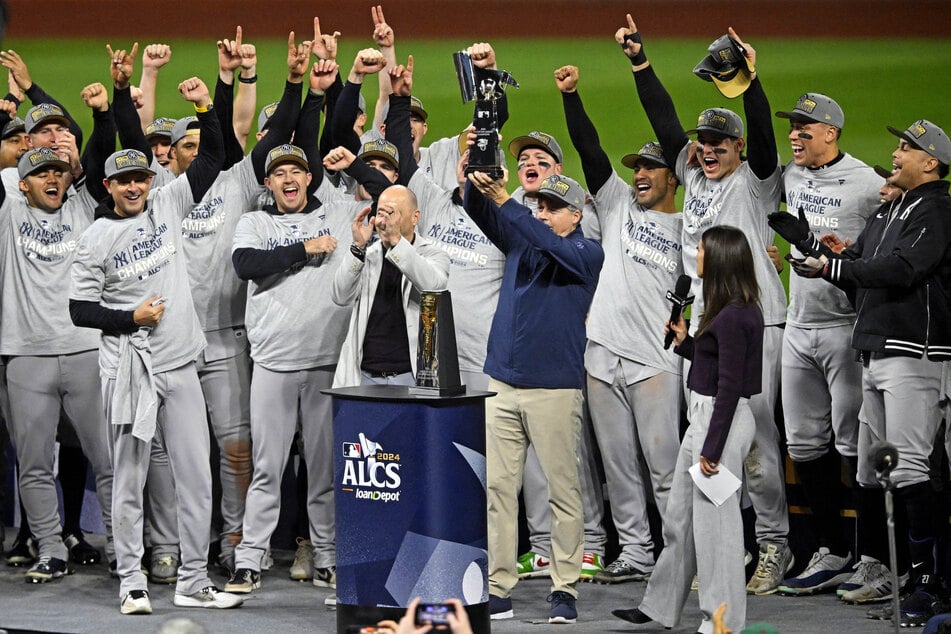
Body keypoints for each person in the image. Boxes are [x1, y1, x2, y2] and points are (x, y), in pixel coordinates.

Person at [618, 14, 791, 594]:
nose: (708, 150)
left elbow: (765, 136)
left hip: (755, 321)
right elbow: (663, 119)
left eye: (719, 143)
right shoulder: (693, 176)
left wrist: (754, 85)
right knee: (707, 437)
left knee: (756, 440)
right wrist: (641, 62)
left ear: (737, 147)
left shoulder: (757, 181)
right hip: (701, 324)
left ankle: (774, 546)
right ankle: (728, 546)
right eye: (703, 142)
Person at [69, 76, 241, 614]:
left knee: (196, 474)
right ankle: (131, 580)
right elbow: (79, 310)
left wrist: (205, 104)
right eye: (125, 182)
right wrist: (130, 317)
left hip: (180, 364)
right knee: (130, 479)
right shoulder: (96, 237)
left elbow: (213, 154)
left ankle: (193, 579)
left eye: (141, 177)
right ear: (108, 186)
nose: (135, 187)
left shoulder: (170, 202)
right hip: (127, 370)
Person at [771, 118, 951, 627]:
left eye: (907, 148)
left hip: (913, 350)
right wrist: (823, 249)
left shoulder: (937, 210)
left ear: (930, 162)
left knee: (913, 467)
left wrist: (834, 267)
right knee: (875, 468)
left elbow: (903, 270)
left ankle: (926, 580)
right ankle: (883, 568)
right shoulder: (893, 209)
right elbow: (863, 271)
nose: (896, 153)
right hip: (873, 347)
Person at [556, 62, 684, 584]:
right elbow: (590, 152)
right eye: (638, 168)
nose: (641, 174)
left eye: (652, 168)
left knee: (665, 469)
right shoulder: (615, 206)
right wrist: (571, 97)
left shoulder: (689, 224)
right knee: (619, 466)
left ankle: (682, 555)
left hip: (655, 358)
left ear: (674, 177)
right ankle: (636, 551)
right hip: (601, 350)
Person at [465, 170, 603, 624]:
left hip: (554, 389)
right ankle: (497, 587)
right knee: (499, 491)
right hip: (502, 383)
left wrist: (509, 201)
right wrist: (476, 175)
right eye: (537, 206)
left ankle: (564, 588)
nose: (541, 214)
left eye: (551, 208)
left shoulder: (586, 252)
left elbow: (551, 247)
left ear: (576, 216)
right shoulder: (522, 240)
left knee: (562, 492)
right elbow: (476, 209)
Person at [613, 224, 764, 634]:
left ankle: (721, 621)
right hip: (707, 418)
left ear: (718, 258)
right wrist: (685, 343)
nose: (695, 255)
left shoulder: (734, 314)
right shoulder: (726, 307)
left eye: (700, 249)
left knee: (718, 530)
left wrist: (713, 449)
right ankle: (660, 605)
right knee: (679, 520)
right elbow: (715, 365)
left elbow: (730, 387)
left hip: (722, 423)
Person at [768, 93, 884, 600]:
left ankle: (874, 558)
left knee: (854, 446)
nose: (795, 134)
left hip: (845, 329)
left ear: (832, 133)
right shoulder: (790, 177)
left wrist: (847, 256)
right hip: (799, 324)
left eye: (805, 127)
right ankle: (833, 551)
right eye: (792, 127)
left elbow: (882, 253)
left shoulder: (868, 184)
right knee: (803, 443)